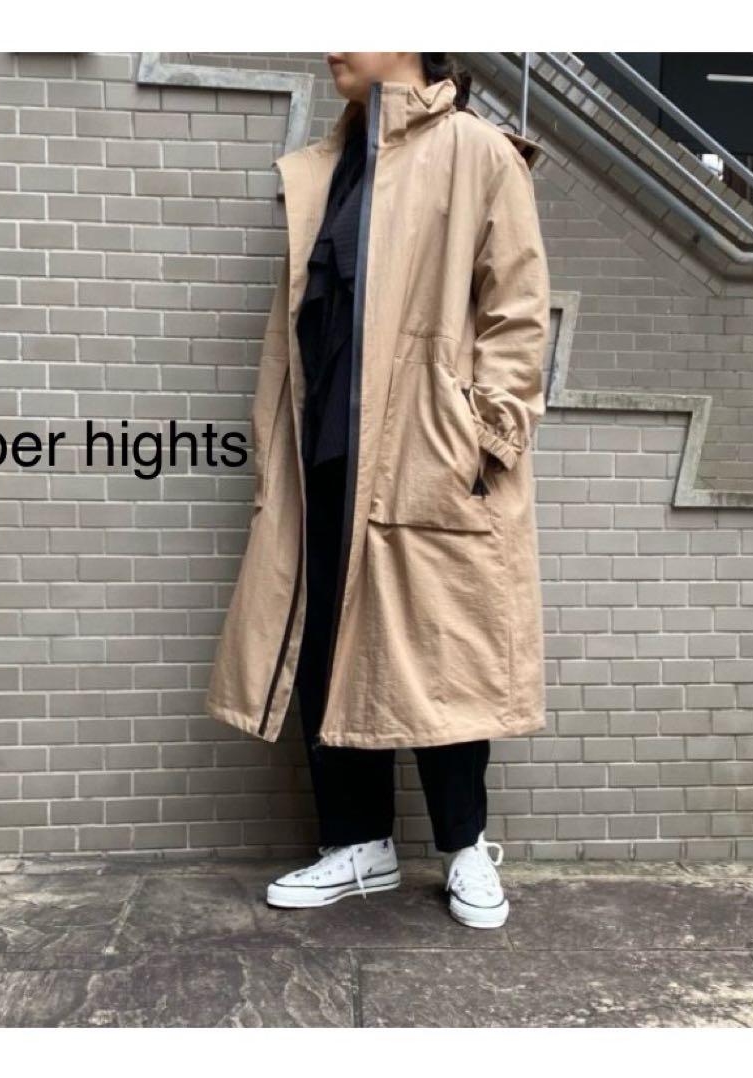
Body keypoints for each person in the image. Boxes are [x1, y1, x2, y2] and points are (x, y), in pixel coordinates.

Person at [205, 52, 552, 930]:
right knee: (323, 645)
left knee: (442, 647)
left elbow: (516, 309)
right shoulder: (331, 165)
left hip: (425, 454)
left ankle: (466, 846)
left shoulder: (477, 151)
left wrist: (482, 440)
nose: (332, 44)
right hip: (324, 453)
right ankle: (357, 841)